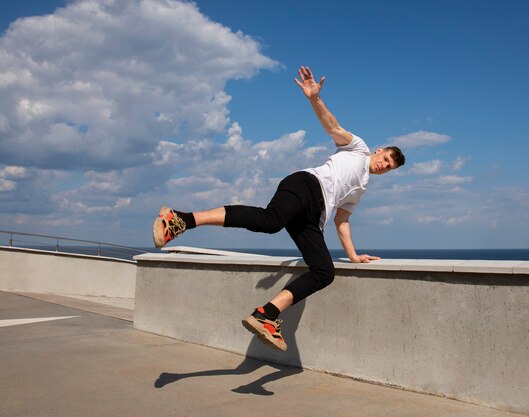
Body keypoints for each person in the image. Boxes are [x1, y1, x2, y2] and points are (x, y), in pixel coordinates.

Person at [153, 66, 405, 351]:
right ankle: (180, 219)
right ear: (378, 150)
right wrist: (314, 98)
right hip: (306, 186)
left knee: (324, 271)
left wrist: (354, 256)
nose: (384, 165)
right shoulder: (358, 148)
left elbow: (342, 222)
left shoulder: (361, 188)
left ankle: (267, 315)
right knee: (271, 221)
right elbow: (332, 125)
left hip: (314, 216)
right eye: (385, 158)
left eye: (389, 167)